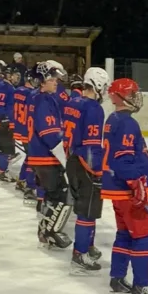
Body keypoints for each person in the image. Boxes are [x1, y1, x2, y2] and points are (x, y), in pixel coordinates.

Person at [101, 78, 148, 294]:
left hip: (117, 190)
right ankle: (140, 286)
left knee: (125, 234)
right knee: (145, 235)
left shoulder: (113, 119)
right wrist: (136, 184)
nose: (137, 97)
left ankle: (117, 279)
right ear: (122, 96)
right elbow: (123, 158)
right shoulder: (127, 123)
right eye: (133, 93)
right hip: (128, 192)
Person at [63, 67, 110, 274]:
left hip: (72, 160)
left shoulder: (73, 101)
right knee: (87, 211)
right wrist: (97, 171)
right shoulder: (94, 109)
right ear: (98, 85)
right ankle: (80, 253)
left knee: (85, 208)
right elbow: (91, 145)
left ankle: (87, 247)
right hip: (84, 163)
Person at [27, 62, 72, 249]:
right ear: (42, 82)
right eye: (52, 79)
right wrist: (65, 157)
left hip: (40, 156)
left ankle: (46, 229)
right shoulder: (43, 100)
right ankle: (50, 231)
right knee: (60, 194)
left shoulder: (40, 97)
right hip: (45, 157)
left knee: (53, 194)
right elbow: (49, 133)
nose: (56, 83)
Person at [13, 65, 41, 199]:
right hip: (28, 130)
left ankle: (22, 180)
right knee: (32, 160)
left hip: (20, 128)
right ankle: (29, 186)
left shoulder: (18, 90)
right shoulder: (32, 94)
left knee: (30, 157)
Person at [0, 66, 19, 182]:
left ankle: (2, 169)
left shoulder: (8, 86)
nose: (17, 77)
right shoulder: (4, 87)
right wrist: (4, 118)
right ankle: (1, 172)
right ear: (9, 75)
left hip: (7, 121)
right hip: (4, 122)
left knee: (6, 147)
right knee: (6, 148)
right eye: (14, 75)